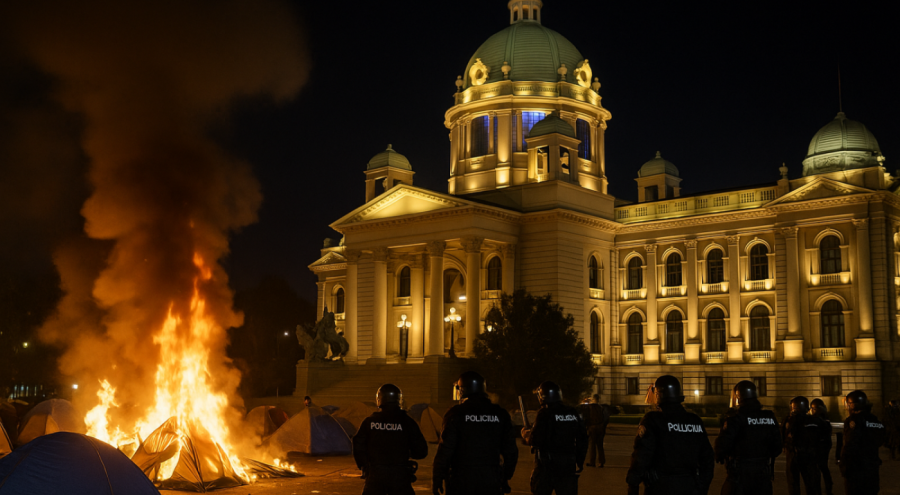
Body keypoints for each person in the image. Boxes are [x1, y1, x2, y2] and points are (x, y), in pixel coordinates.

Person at [626, 375, 715, 495]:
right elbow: (707, 458)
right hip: (689, 485)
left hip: (661, 487)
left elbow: (642, 456)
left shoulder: (653, 420)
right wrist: (701, 487)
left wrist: (633, 483)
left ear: (659, 394)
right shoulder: (695, 421)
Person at [433, 371, 519, 495]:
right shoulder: (500, 413)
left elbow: (445, 449)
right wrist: (505, 476)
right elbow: (511, 450)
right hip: (491, 477)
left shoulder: (456, 414)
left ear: (462, 389)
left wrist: (438, 476)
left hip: (461, 478)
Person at [353, 384, 428, 495]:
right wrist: (405, 453)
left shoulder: (369, 422)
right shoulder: (408, 422)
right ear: (399, 400)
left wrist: (364, 465)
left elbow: (358, 445)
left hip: (375, 475)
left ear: (379, 399)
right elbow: (421, 451)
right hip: (400, 475)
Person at [714, 380, 782, 495]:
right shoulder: (769, 417)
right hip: (762, 473)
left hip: (740, 475)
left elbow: (723, 446)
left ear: (738, 397)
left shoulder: (735, 419)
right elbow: (777, 447)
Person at [521, 382, 588, 495]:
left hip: (546, 467)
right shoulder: (572, 412)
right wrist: (579, 461)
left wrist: (526, 435)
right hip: (567, 466)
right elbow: (583, 439)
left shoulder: (544, 413)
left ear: (542, 397)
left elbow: (535, 440)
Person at [841, 390, 887, 495]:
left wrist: (844, 465)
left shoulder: (854, 420)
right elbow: (881, 440)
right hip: (872, 466)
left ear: (852, 405)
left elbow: (850, 444)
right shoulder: (875, 420)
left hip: (856, 468)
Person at [781, 396, 826, 495]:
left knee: (793, 484)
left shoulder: (789, 420)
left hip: (793, 455)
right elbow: (823, 438)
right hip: (810, 456)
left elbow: (783, 437)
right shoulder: (815, 420)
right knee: (812, 484)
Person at [810, 399, 835, 495]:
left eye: (813, 409)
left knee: (819, 467)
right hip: (824, 444)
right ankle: (828, 486)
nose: (812, 411)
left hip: (820, 445)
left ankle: (823, 487)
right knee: (823, 467)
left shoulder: (819, 419)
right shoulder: (824, 418)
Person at [580, 394, 610, 468]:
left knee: (592, 445)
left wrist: (586, 426)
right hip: (600, 428)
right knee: (600, 445)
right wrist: (603, 426)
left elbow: (585, 418)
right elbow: (606, 418)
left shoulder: (588, 407)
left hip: (592, 428)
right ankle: (601, 462)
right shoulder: (601, 408)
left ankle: (592, 462)